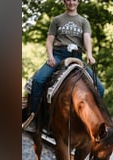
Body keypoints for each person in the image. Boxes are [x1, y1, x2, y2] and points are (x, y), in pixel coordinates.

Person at [23, 0, 105, 132]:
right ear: (64, 2)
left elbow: (87, 39)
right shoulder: (57, 20)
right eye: (68, 0)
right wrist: (50, 56)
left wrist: (89, 54)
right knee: (38, 80)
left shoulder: (84, 21)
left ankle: (96, 122)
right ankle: (33, 117)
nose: (71, 2)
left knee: (100, 88)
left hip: (77, 57)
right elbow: (49, 41)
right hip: (58, 55)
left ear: (78, 2)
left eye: (74, 0)